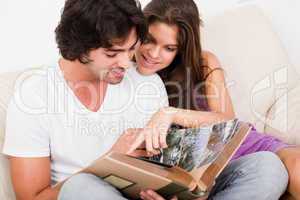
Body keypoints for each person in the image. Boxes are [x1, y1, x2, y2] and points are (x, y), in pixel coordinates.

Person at [132, 0, 299, 199]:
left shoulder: (203, 63)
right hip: (198, 168)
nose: (153, 53)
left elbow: (227, 119)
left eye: (169, 48)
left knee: (296, 167)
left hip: (242, 145)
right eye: (149, 40)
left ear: (182, 48)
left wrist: (170, 114)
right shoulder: (121, 70)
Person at [2, 0, 168, 199]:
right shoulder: (34, 96)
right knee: (80, 185)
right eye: (112, 53)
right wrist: (109, 165)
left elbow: (166, 170)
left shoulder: (146, 83)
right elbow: (32, 198)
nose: (126, 63)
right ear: (80, 47)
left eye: (131, 49)